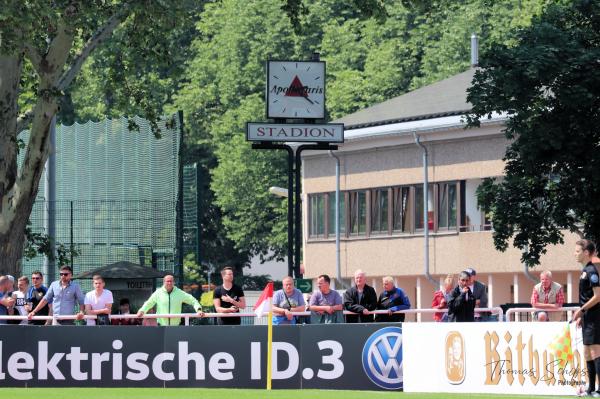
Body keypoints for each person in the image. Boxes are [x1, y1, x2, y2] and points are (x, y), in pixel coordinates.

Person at [572, 239, 600, 397]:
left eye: (577, 251)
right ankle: (590, 389)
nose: (574, 254)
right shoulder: (585, 270)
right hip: (587, 317)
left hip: (595, 317)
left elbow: (598, 296)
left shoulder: (591, 271)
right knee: (587, 353)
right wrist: (582, 316)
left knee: (596, 352)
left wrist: (581, 310)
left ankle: (599, 389)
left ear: (586, 253)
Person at [137, 273, 203, 326]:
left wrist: (199, 309)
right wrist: (142, 311)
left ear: (174, 282)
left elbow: (193, 300)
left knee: (174, 343)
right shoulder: (158, 293)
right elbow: (149, 303)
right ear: (163, 282)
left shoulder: (179, 293)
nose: (169, 283)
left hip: (176, 327)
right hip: (161, 326)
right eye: (167, 281)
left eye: (171, 281)